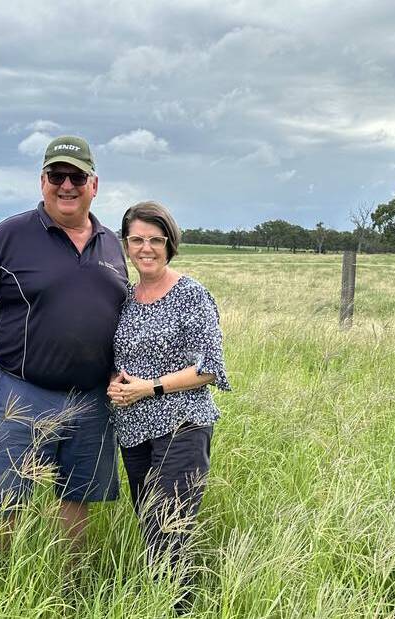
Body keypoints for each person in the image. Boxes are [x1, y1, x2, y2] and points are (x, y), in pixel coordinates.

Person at [0, 135, 128, 545]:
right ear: (42, 181)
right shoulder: (9, 236)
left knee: (77, 497)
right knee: (6, 499)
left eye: (76, 176)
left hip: (91, 397)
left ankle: (70, 586)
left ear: (93, 185)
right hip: (20, 391)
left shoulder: (113, 244)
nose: (67, 185)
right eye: (56, 175)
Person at [107, 201, 230, 610]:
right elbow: (117, 356)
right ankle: (165, 602)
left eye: (155, 240)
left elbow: (209, 367)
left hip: (182, 425)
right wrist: (116, 383)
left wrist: (150, 388)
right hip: (134, 428)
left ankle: (176, 608)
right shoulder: (124, 296)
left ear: (169, 244)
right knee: (149, 523)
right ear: (126, 244)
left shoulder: (190, 293)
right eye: (137, 239)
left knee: (168, 528)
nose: (146, 248)